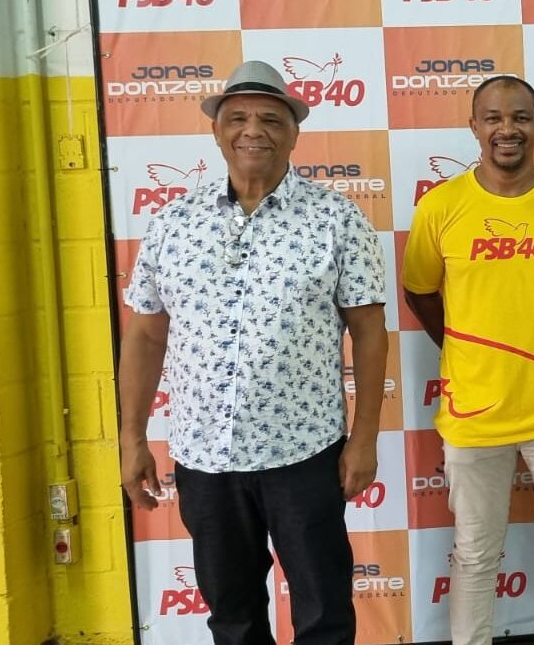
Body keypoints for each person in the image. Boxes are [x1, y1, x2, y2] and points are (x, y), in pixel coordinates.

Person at [117, 59, 388, 645]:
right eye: (237, 118)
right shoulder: (172, 223)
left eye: (270, 118)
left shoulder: (337, 220)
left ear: (294, 132)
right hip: (204, 459)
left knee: (323, 612)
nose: (252, 130)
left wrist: (365, 437)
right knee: (233, 616)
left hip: (305, 454)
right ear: (217, 131)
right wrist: (132, 436)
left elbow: (369, 331)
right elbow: (145, 335)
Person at [401, 75, 534, 645]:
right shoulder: (441, 205)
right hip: (474, 412)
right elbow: (419, 290)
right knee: (475, 551)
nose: (507, 129)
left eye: (519, 117)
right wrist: (467, 349)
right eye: (493, 118)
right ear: (474, 127)